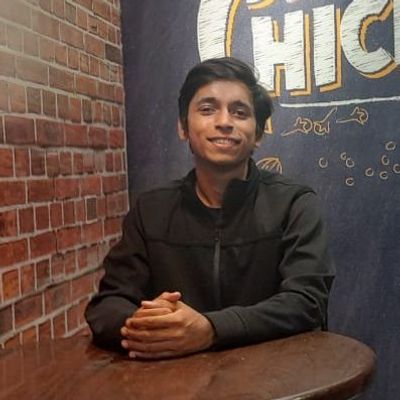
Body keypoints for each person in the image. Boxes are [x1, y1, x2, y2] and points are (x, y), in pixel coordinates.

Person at [85, 57, 334, 359]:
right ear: (183, 127)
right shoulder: (150, 211)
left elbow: (306, 301)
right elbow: (108, 304)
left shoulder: (294, 203)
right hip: (178, 379)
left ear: (257, 134)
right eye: (207, 109)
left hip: (274, 375)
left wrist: (211, 329)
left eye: (239, 112)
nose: (224, 122)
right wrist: (147, 324)